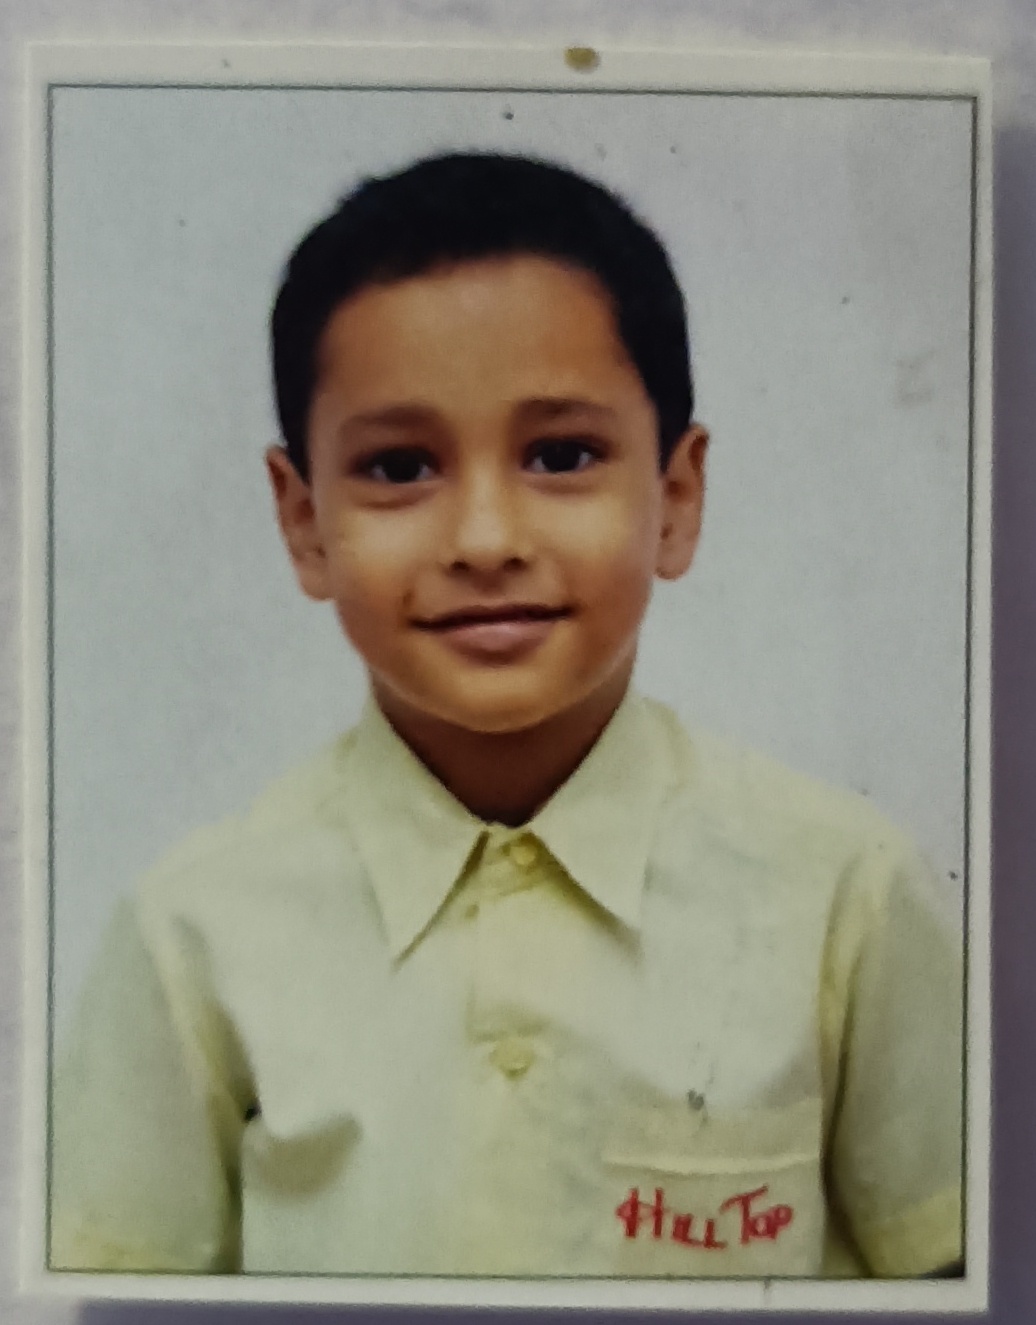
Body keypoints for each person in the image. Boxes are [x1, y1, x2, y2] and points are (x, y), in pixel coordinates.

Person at [50, 151, 963, 1279]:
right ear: (302, 520)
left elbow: (965, 1277)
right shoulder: (190, 931)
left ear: (676, 497)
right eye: (399, 466)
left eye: (561, 454)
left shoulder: (846, 894)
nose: (485, 538)